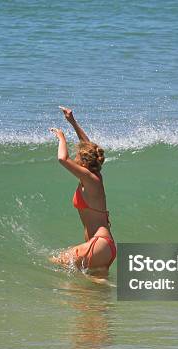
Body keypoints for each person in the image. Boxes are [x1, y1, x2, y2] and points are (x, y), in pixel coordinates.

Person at [49, 106, 116, 281]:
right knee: (94, 299)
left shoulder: (89, 177)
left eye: (78, 155)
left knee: (55, 261)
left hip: (98, 244)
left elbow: (62, 159)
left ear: (84, 162)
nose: (75, 157)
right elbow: (90, 148)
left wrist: (61, 137)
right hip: (104, 247)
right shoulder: (94, 177)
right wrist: (72, 122)